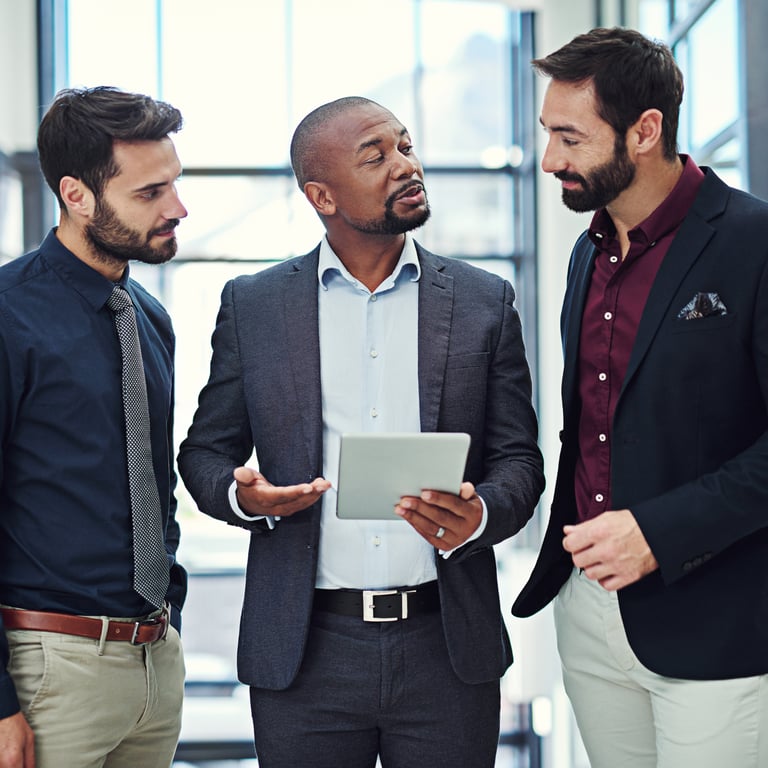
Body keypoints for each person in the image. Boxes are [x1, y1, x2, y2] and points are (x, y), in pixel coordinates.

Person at [178, 95, 544, 768]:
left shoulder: (483, 301)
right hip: (305, 653)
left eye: (405, 146)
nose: (405, 166)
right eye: (375, 156)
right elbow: (205, 451)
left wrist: (482, 513)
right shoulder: (254, 307)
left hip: (447, 646)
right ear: (321, 194)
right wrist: (243, 499)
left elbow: (520, 459)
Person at [512, 26, 768, 768]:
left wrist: (659, 530)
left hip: (716, 618)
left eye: (570, 136)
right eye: (546, 133)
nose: (551, 157)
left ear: (645, 131)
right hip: (586, 611)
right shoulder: (583, 254)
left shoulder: (754, 242)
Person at [0, 86, 188, 768]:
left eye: (175, 184)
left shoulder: (147, 316)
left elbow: (152, 483)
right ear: (77, 195)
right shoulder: (7, 316)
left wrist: (172, 612)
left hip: (154, 662)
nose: (177, 208)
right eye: (150, 194)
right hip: (49, 670)